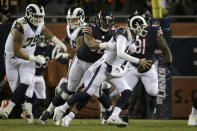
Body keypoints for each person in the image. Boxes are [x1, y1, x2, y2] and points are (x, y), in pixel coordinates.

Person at [53, 15, 152, 127]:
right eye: (142, 26)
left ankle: (114, 117)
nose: (144, 29)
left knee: (127, 91)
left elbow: (122, 54)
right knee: (88, 92)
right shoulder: (123, 32)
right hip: (104, 67)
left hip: (116, 70)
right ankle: (63, 108)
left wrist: (131, 49)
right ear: (135, 26)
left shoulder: (135, 36)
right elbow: (120, 53)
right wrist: (138, 61)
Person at [0, 4, 67, 124]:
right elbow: (17, 51)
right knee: (16, 90)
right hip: (12, 58)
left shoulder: (39, 23)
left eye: (40, 16)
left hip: (28, 59)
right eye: (36, 16)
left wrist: (58, 42)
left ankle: (8, 108)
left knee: (25, 82)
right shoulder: (20, 26)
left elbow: (47, 32)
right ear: (29, 14)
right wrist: (35, 59)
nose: (38, 19)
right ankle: (28, 110)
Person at [52, 10, 117, 126]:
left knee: (98, 90)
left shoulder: (114, 32)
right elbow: (88, 43)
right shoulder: (89, 28)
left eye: (109, 21)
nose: (106, 24)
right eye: (104, 21)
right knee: (86, 90)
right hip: (82, 61)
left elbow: (121, 46)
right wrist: (104, 45)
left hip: (100, 63)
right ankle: (108, 113)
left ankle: (108, 113)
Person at [111, 9, 173, 121]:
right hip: (131, 66)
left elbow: (164, 47)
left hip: (148, 66)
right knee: (123, 91)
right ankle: (122, 115)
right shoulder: (127, 31)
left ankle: (152, 105)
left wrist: (169, 61)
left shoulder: (154, 31)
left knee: (153, 91)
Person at [37, 7, 87, 125]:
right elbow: (68, 37)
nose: (71, 22)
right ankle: (47, 113)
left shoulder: (85, 30)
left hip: (86, 61)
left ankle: (107, 114)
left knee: (94, 90)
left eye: (74, 20)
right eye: (70, 19)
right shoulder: (70, 27)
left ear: (81, 19)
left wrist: (65, 56)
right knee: (68, 93)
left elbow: (80, 52)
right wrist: (60, 44)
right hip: (78, 63)